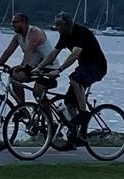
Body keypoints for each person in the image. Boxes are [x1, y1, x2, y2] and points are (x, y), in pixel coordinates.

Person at [33, 11, 108, 146]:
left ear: (68, 24)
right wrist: (39, 67)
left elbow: (75, 54)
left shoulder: (80, 32)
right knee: (69, 102)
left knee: (75, 79)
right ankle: (76, 136)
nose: (57, 28)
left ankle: (84, 114)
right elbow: (54, 53)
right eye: (56, 25)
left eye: (59, 25)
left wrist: (59, 69)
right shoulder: (64, 35)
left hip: (97, 66)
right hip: (84, 67)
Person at [0, 12, 59, 104]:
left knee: (37, 93)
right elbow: (8, 51)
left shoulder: (34, 32)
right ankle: (22, 108)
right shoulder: (18, 36)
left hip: (49, 67)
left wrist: (23, 65)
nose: (12, 24)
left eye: (15, 22)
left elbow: (29, 50)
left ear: (23, 23)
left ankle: (49, 113)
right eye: (12, 22)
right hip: (35, 66)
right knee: (15, 78)